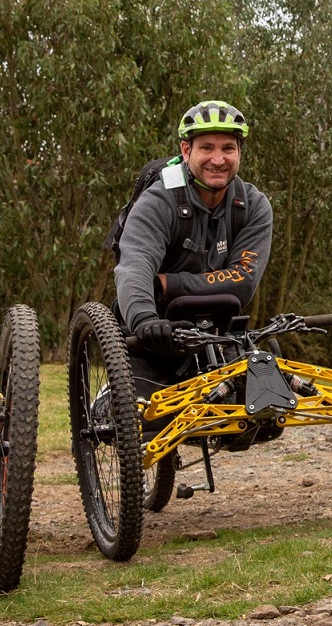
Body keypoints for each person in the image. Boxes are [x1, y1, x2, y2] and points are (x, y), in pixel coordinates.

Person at [113, 100, 274, 415]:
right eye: (207, 148)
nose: (218, 159)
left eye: (228, 148)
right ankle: (109, 398)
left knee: (266, 416)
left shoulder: (253, 205)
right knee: (147, 422)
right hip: (153, 336)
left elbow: (243, 283)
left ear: (239, 153)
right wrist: (145, 319)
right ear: (186, 151)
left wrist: (169, 283)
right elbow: (134, 268)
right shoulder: (159, 201)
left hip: (217, 335)